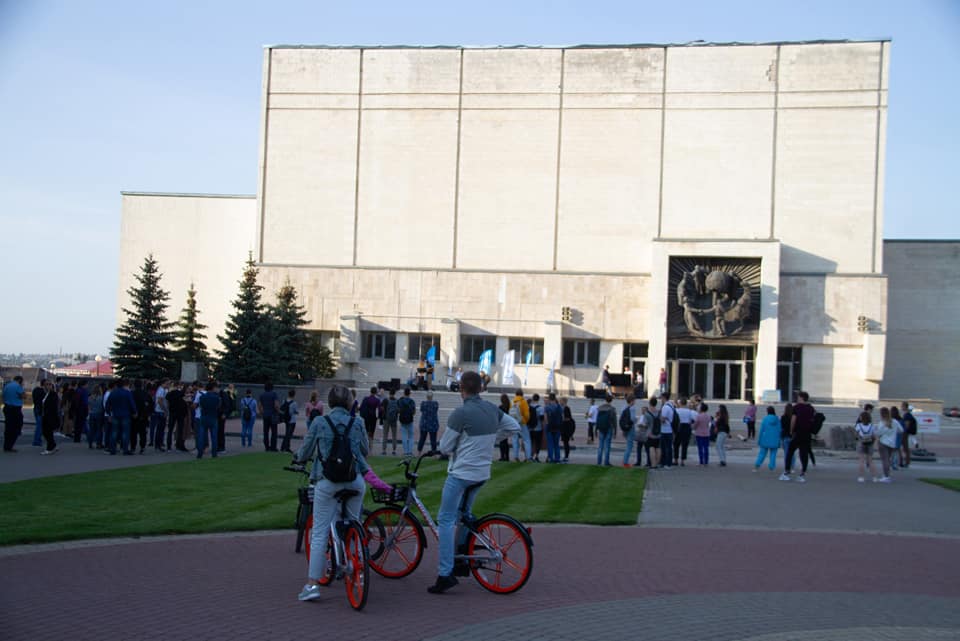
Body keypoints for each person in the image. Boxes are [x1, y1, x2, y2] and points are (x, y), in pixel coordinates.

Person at [428, 371, 519, 594]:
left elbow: (445, 447)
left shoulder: (460, 413)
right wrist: (490, 441)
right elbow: (513, 427)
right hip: (482, 472)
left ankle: (445, 573)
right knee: (464, 515)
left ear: (461, 389)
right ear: (481, 388)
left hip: (461, 473)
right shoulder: (492, 409)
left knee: (445, 520)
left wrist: (466, 445)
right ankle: (461, 558)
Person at [780, 391, 814, 483]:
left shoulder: (797, 407)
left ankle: (786, 472)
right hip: (807, 434)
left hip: (798, 433)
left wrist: (791, 431)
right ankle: (802, 474)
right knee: (804, 453)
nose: (797, 399)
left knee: (790, 451)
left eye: (798, 397)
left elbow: (793, 420)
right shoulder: (811, 408)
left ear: (801, 398)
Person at [106, 379, 137, 455]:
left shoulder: (113, 393)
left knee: (114, 432)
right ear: (123, 385)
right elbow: (131, 403)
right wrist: (134, 412)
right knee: (125, 432)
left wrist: (109, 413)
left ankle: (112, 449)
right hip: (125, 414)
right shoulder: (127, 393)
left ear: (116, 385)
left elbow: (108, 404)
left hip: (115, 414)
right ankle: (125, 450)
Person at [195, 381, 221, 459]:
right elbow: (218, 407)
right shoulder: (217, 398)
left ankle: (200, 453)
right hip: (213, 417)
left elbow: (201, 406)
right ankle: (214, 453)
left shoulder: (202, 397)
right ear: (213, 388)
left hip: (204, 417)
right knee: (214, 437)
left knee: (201, 436)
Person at [875, 406, 901, 483]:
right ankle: (887, 475)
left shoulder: (882, 423)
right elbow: (901, 430)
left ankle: (886, 476)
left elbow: (878, 433)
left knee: (884, 460)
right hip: (892, 443)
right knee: (888, 459)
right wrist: (894, 432)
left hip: (883, 442)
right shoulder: (895, 421)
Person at [2, 375, 25, 452]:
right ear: (19, 380)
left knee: (8, 427)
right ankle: (10, 445)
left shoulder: (7, 386)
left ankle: (6, 445)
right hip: (15, 409)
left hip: (7, 408)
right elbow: (23, 396)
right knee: (17, 426)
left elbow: (3, 395)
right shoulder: (18, 386)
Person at [754, 406, 780, 472]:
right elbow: (780, 430)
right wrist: (779, 440)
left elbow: (762, 430)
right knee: (773, 454)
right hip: (775, 439)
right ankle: (771, 467)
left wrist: (759, 439)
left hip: (765, 439)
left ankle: (757, 465)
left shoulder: (765, 419)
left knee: (762, 453)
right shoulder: (777, 419)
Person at [854, 410, 877, 483]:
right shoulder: (872, 426)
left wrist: (859, 438)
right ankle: (874, 477)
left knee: (861, 461)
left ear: (862, 418)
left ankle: (861, 477)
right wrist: (872, 441)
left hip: (861, 443)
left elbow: (856, 435)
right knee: (870, 461)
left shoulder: (858, 425)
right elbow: (874, 436)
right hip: (870, 443)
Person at [166, 382, 189, 452]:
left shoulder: (169, 394)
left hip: (172, 412)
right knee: (180, 430)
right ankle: (179, 445)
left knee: (170, 429)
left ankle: (169, 446)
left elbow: (167, 400)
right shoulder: (180, 393)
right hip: (180, 413)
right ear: (178, 386)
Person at [40, 379, 60, 455]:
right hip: (44, 415)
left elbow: (53, 405)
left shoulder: (53, 394)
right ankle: (53, 445)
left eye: (49, 384)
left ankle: (49, 448)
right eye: (46, 384)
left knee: (48, 432)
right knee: (45, 432)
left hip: (50, 416)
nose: (48, 386)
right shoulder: (45, 394)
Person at [131, 380, 152, 454]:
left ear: (134, 385)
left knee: (133, 433)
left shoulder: (132, 393)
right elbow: (150, 405)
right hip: (143, 416)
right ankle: (142, 447)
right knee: (142, 433)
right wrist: (148, 414)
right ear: (142, 385)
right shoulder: (145, 394)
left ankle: (133, 447)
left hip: (134, 415)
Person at [510, 389, 531, 461]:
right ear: (522, 394)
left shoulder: (512, 402)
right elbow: (527, 415)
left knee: (514, 440)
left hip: (514, 423)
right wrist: (525, 421)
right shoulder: (523, 402)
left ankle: (516, 457)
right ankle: (528, 457)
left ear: (516, 394)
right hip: (522, 423)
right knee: (526, 440)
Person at [595, 395, 616, 466]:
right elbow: (614, 421)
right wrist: (615, 431)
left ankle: (599, 462)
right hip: (609, 428)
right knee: (607, 446)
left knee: (600, 446)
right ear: (611, 400)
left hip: (601, 428)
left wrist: (596, 429)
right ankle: (606, 462)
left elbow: (597, 419)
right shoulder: (612, 409)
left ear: (605, 400)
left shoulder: (600, 408)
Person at [673, 396, 694, 466]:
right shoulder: (689, 411)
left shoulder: (676, 410)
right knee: (684, 444)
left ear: (680, 403)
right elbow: (691, 420)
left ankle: (676, 459)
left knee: (676, 444)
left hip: (678, 426)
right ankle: (682, 460)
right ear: (686, 403)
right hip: (686, 427)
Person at [259, 382, 280, 452]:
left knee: (266, 432)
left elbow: (260, 406)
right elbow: (276, 405)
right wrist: (278, 411)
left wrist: (262, 413)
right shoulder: (274, 394)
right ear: (272, 387)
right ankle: (273, 447)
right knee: (274, 432)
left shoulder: (262, 395)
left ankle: (267, 447)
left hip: (265, 415)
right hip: (273, 415)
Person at [544, 393, 564, 463]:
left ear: (549, 399)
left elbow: (545, 418)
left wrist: (547, 425)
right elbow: (562, 417)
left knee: (550, 444)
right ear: (555, 398)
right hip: (557, 427)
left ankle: (550, 458)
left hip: (549, 427)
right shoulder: (559, 407)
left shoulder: (547, 407)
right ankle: (557, 459)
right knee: (556, 444)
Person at [397, 387, 417, 457]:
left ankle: (405, 452)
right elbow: (414, 412)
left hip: (402, 420)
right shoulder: (412, 401)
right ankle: (410, 452)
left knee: (404, 436)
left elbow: (398, 410)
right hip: (410, 420)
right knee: (411, 437)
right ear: (409, 393)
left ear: (404, 393)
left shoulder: (400, 401)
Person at [621, 394, 638, 467]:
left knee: (628, 445)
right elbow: (633, 419)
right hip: (630, 427)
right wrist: (636, 420)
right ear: (632, 401)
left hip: (625, 427)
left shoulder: (624, 407)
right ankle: (625, 462)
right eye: (634, 400)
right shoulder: (632, 408)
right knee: (629, 446)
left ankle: (625, 460)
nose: (635, 402)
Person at [659, 393, 675, 468]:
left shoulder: (665, 407)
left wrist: (659, 418)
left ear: (664, 398)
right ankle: (668, 463)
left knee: (665, 448)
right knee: (669, 447)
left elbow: (662, 419)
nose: (661, 399)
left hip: (665, 430)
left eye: (661, 398)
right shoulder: (671, 405)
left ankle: (666, 463)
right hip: (670, 429)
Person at [643, 397, 661, 468]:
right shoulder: (659, 412)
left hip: (650, 434)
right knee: (658, 448)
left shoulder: (647, 413)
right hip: (658, 434)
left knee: (651, 448)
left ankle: (653, 464)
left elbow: (645, 424)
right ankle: (657, 462)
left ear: (650, 403)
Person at [381, 389, 399, 456]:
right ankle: (394, 450)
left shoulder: (385, 400)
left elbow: (381, 408)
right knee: (394, 435)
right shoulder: (397, 401)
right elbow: (398, 410)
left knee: (385, 434)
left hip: (386, 419)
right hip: (394, 420)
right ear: (394, 393)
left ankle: (384, 450)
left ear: (389, 393)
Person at [151, 379, 168, 451]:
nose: (168, 385)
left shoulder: (161, 390)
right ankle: (158, 444)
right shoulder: (161, 390)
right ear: (163, 383)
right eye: (167, 383)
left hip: (159, 410)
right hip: (160, 411)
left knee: (160, 428)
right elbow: (160, 401)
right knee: (160, 429)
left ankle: (158, 444)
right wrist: (165, 410)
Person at [87, 384, 105, 449]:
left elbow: (88, 407)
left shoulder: (90, 397)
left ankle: (90, 443)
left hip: (91, 414)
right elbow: (103, 407)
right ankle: (98, 444)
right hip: (99, 414)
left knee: (91, 430)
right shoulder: (101, 397)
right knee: (99, 430)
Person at [899, 401, 917, 468]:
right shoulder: (907, 414)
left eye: (902, 406)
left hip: (905, 434)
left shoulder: (907, 415)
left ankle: (906, 462)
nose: (901, 407)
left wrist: (903, 433)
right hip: (906, 434)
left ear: (905, 407)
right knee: (905, 449)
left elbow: (906, 425)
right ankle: (906, 462)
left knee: (905, 449)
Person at [527, 393, 543, 463]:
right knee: (537, 443)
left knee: (530, 442)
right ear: (538, 399)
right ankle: (536, 456)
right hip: (538, 428)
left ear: (533, 399)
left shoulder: (529, 407)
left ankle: (530, 456)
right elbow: (542, 418)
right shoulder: (541, 408)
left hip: (530, 428)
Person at [73, 379, 90, 444]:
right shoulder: (84, 391)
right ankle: (89, 437)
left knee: (77, 424)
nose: (87, 386)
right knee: (84, 423)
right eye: (87, 384)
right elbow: (85, 402)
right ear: (84, 385)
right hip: (83, 409)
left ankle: (76, 438)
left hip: (77, 409)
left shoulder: (77, 390)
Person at [560, 397, 576, 463]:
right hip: (563, 427)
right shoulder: (562, 408)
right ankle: (565, 456)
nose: (560, 402)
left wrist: (562, 418)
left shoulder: (566, 408)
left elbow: (568, 418)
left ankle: (566, 456)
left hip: (566, 428)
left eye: (561, 401)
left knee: (566, 442)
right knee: (565, 442)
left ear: (564, 401)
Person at [497, 394, 512, 461]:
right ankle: (507, 457)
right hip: (508, 425)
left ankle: (502, 456)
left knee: (501, 442)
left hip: (502, 425)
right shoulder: (509, 406)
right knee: (506, 442)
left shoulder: (500, 407)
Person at [780, 403, 794, 471]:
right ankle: (792, 467)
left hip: (785, 436)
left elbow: (782, 428)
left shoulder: (783, 417)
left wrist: (781, 437)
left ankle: (787, 467)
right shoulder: (793, 417)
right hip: (792, 436)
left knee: (786, 452)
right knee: (792, 453)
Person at [31, 380, 45, 447]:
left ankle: (38, 439)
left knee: (39, 425)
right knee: (39, 426)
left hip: (36, 408)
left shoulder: (35, 390)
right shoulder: (43, 392)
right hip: (40, 409)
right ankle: (37, 440)